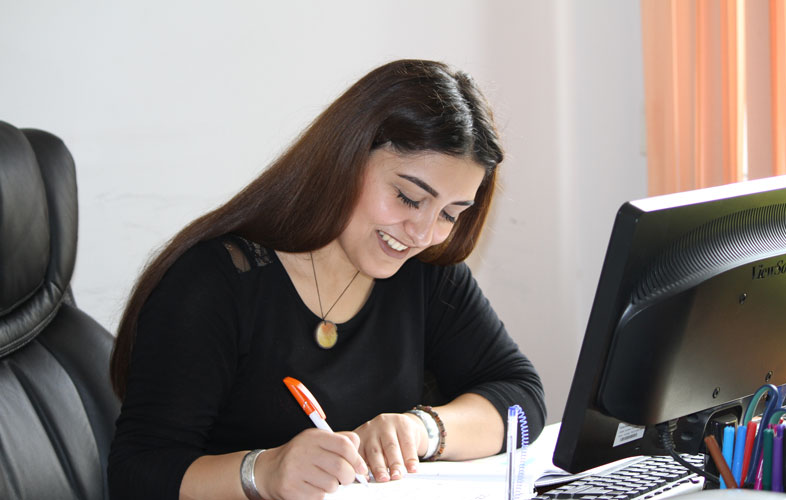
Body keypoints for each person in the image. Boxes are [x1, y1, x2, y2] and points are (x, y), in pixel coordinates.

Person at [107, 59, 546, 500]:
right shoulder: (216, 281)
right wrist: (263, 472)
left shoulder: (427, 272)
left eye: (450, 214)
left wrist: (423, 430)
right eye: (408, 197)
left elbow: (519, 395)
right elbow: (137, 472)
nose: (422, 234)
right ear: (346, 159)